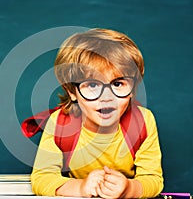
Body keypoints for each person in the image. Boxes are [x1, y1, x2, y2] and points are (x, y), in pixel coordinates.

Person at [28, 28, 163, 198]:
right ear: (72, 91)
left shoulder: (143, 121)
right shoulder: (59, 124)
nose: (107, 97)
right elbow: (42, 178)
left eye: (118, 84)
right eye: (92, 85)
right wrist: (80, 187)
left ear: (132, 88)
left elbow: (153, 179)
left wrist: (129, 189)